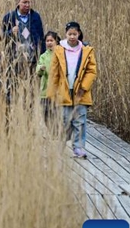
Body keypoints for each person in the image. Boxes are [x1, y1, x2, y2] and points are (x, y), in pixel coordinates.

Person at [48, 21, 97, 159]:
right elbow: (54, 72)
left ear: (79, 34)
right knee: (64, 120)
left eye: (75, 34)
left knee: (79, 121)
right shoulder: (59, 50)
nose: (72, 37)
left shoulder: (86, 51)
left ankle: (79, 147)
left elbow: (91, 71)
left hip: (80, 92)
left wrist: (84, 87)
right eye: (69, 34)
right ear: (66, 34)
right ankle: (60, 146)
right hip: (64, 91)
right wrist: (52, 93)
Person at [36, 31, 60, 125]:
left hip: (57, 91)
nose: (49, 43)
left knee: (56, 114)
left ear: (56, 41)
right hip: (45, 91)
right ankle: (50, 133)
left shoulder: (60, 54)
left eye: (51, 40)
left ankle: (57, 135)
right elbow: (38, 71)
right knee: (45, 114)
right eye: (47, 41)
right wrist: (40, 68)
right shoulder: (43, 56)